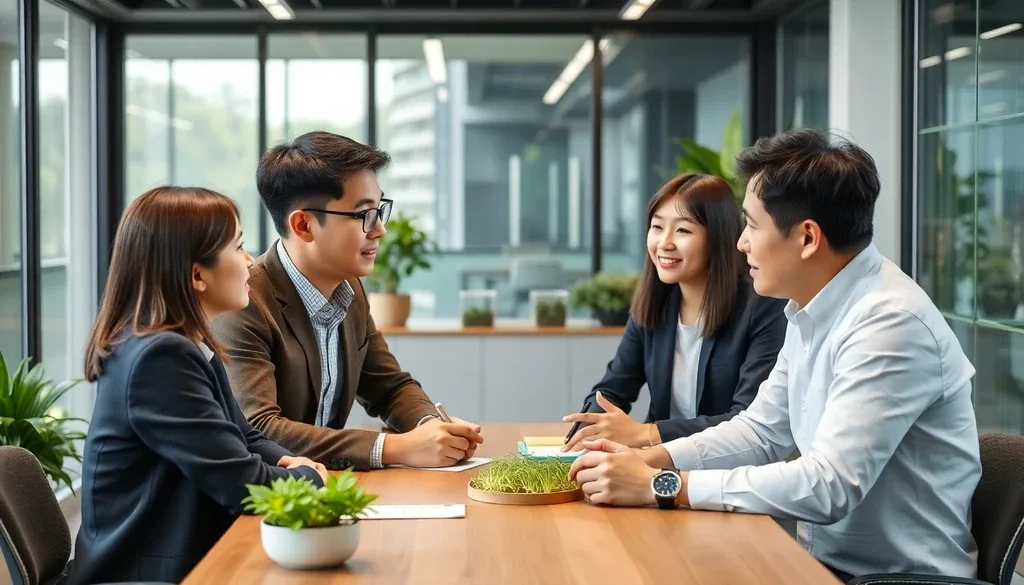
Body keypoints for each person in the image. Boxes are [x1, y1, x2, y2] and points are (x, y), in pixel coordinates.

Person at [567, 128, 981, 582]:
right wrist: (654, 460)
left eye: (751, 224)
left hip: (896, 578)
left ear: (806, 238)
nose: (741, 243)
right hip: (819, 560)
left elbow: (829, 485)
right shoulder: (811, 308)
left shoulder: (889, 322)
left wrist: (665, 486)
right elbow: (761, 431)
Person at [70, 187, 329, 585]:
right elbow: (240, 484)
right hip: (140, 572)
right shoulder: (160, 357)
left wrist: (286, 461)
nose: (248, 263)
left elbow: (242, 434)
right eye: (239, 248)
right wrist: (311, 479)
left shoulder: (181, 341)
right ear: (197, 275)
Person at [210, 131, 483, 471]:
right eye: (364, 214)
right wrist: (393, 447)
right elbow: (258, 429)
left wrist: (430, 427)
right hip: (264, 504)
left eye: (380, 209)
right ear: (304, 225)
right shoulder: (245, 302)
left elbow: (389, 387)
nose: (380, 229)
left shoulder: (348, 289)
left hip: (322, 491)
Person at [562, 173, 787, 452]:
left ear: (718, 237)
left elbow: (745, 422)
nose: (664, 243)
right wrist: (589, 427)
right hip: (653, 464)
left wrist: (648, 433)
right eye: (657, 227)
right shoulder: (655, 303)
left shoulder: (763, 306)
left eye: (683, 230)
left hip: (723, 471)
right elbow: (613, 389)